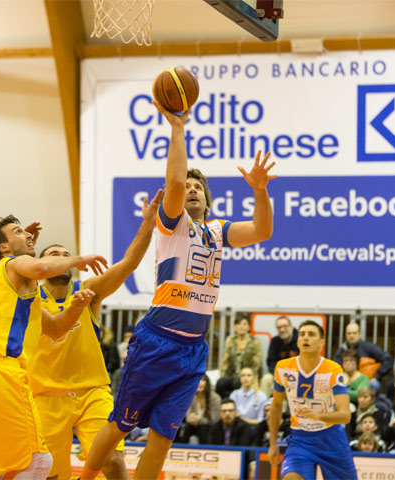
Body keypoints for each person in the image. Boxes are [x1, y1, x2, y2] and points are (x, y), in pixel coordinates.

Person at [81, 100, 276, 480]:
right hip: (158, 340)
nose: (190, 189)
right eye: (186, 186)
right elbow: (172, 183)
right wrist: (177, 127)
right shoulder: (173, 224)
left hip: (193, 350)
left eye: (197, 186)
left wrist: (260, 191)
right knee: (121, 425)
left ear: (207, 198)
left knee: (162, 439)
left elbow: (262, 230)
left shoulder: (217, 230)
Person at [0, 214, 106, 479]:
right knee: (38, 462)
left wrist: (75, 307)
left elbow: (55, 329)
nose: (26, 234)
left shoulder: (5, 284)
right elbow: (40, 267)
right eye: (18, 231)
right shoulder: (12, 262)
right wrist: (79, 260)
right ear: (3, 247)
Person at [27, 189, 162, 480]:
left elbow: (128, 264)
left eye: (66, 255)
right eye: (54, 255)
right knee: (51, 474)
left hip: (92, 392)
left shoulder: (88, 291)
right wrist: (24, 250)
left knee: (112, 461)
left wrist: (148, 224)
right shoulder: (28, 296)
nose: (62, 258)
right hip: (46, 397)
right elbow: (11, 271)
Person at [268, 320, 357, 480]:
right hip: (300, 439)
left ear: (321, 342)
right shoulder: (282, 368)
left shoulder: (333, 370)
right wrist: (273, 443)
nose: (305, 338)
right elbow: (276, 406)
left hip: (331, 440)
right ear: (298, 342)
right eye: (302, 334)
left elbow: (345, 415)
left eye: (311, 334)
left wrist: (318, 415)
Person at [334, 322, 393, 390]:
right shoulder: (341, 351)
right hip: (347, 380)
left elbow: (388, 359)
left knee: (374, 384)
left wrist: (377, 376)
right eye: (349, 333)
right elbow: (336, 367)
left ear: (359, 334)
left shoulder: (369, 347)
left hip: (367, 381)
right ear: (345, 335)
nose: (351, 336)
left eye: (354, 333)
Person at [216, 315, 264, 399]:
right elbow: (225, 360)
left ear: (249, 327)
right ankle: (226, 403)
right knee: (221, 383)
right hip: (231, 375)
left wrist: (249, 376)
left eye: (244, 324)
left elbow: (257, 363)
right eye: (238, 324)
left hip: (248, 375)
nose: (241, 326)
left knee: (237, 383)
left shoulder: (255, 341)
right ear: (235, 327)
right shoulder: (230, 340)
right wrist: (222, 375)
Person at [179, 374, 221, 444]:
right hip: (194, 425)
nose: (199, 383)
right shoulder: (192, 396)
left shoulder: (215, 398)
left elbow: (215, 419)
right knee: (187, 427)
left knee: (202, 428)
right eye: (197, 380)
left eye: (202, 380)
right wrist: (191, 418)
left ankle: (205, 449)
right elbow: (188, 415)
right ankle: (180, 447)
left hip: (209, 427)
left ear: (207, 382)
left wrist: (199, 420)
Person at [265, 316, 299, 391]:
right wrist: (281, 375)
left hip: (298, 374)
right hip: (280, 374)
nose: (282, 329)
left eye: (285, 326)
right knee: (266, 378)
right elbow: (271, 362)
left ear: (291, 327)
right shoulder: (275, 341)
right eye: (279, 327)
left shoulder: (300, 339)